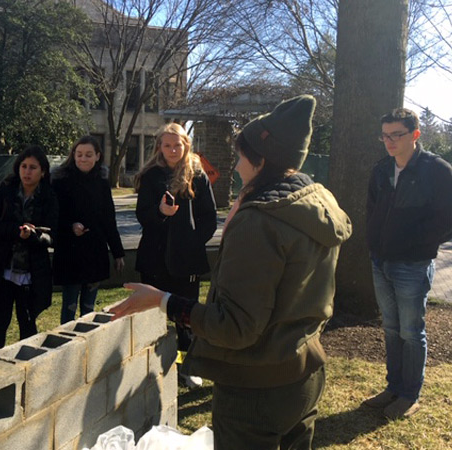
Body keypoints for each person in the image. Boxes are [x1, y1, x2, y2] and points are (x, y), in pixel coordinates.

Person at [109, 95, 352, 450]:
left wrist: (161, 300)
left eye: (240, 157)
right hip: (304, 375)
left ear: (262, 160)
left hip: (256, 392)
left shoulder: (260, 222)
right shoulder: (317, 203)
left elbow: (235, 327)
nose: (236, 167)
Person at [362, 108, 452, 419]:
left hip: (412, 265)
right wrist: (374, 241)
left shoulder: (437, 170)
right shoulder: (381, 169)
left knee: (412, 331)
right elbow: (372, 208)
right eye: (384, 135)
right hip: (380, 261)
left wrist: (418, 244)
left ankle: (410, 394)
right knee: (390, 327)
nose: (389, 141)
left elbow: (446, 217)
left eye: (396, 135)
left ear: (415, 135)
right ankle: (393, 387)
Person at [134, 122, 217, 388]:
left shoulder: (197, 174)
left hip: (186, 261)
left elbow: (209, 217)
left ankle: (186, 367)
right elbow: (142, 216)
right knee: (152, 316)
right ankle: (151, 368)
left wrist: (193, 242)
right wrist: (160, 213)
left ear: (186, 145)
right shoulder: (151, 176)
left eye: (177, 145)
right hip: (155, 258)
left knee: (186, 318)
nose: (172, 150)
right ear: (159, 146)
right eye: (167, 145)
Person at [0, 146, 58, 352]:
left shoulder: (49, 196)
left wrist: (34, 236)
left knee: (27, 325)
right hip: (3, 269)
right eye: (23, 166)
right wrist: (16, 231)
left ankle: (26, 369)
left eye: (33, 167)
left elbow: (53, 235)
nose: (27, 172)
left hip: (31, 273)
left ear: (43, 172)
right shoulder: (7, 189)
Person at [52, 136, 124, 324]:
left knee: (88, 308)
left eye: (88, 155)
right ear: (73, 156)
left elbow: (109, 220)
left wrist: (118, 253)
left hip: (95, 252)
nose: (83, 159)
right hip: (70, 253)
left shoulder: (102, 183)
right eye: (79, 154)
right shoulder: (60, 181)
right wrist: (70, 226)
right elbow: (53, 216)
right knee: (69, 306)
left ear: (97, 156)